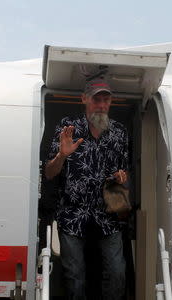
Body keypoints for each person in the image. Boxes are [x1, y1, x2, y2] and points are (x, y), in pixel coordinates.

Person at [45, 77, 129, 300]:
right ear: (84, 99)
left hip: (107, 213)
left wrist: (121, 177)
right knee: (75, 276)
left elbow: (123, 171)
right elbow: (49, 173)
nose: (102, 105)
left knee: (117, 272)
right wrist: (62, 155)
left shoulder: (119, 133)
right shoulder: (68, 128)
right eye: (96, 99)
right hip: (73, 213)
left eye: (106, 100)